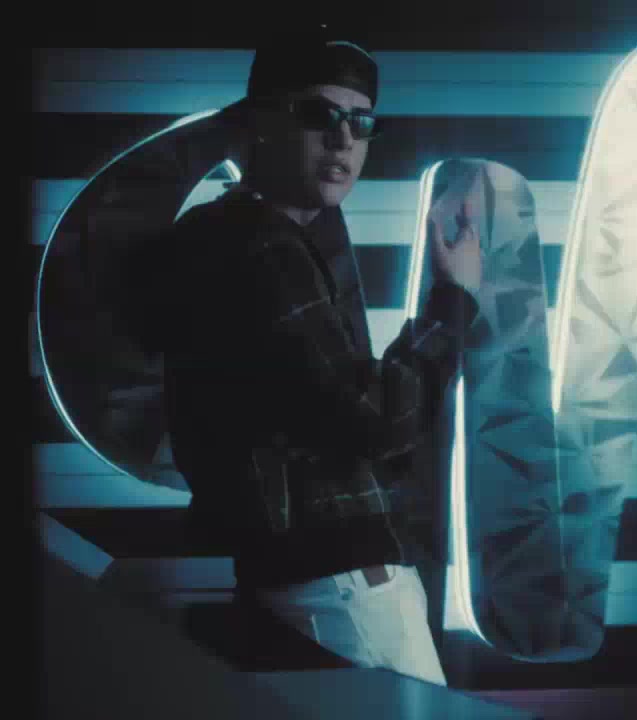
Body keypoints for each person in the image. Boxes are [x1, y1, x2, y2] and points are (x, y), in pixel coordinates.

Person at [161, 35, 481, 686]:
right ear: (261, 122)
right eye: (318, 114)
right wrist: (453, 299)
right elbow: (377, 419)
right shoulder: (266, 250)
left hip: (302, 578)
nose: (343, 140)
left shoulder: (230, 235)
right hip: (341, 585)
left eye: (361, 123)